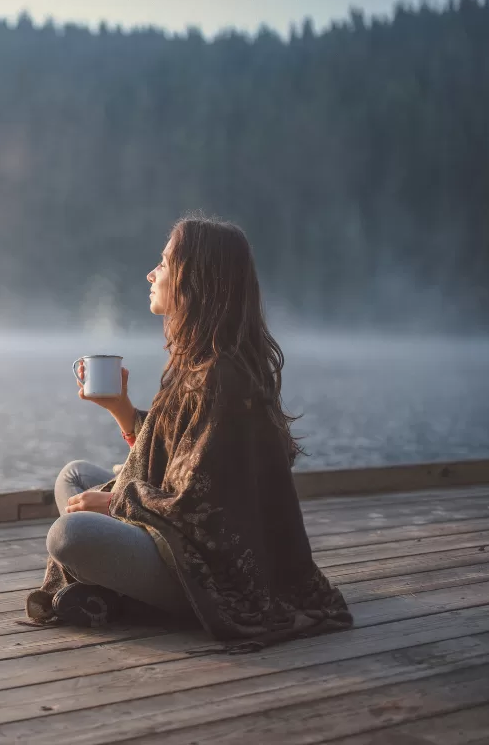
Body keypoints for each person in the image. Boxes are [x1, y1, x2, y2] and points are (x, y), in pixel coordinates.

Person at [25, 215, 353, 647]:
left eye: (163, 263)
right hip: (176, 534)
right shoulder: (199, 361)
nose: (151, 273)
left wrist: (116, 502)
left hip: (213, 571)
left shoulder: (223, 377)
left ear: (194, 279)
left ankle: (127, 595)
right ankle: (114, 584)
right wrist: (121, 409)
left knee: (70, 535)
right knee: (74, 477)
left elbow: (203, 505)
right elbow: (177, 455)